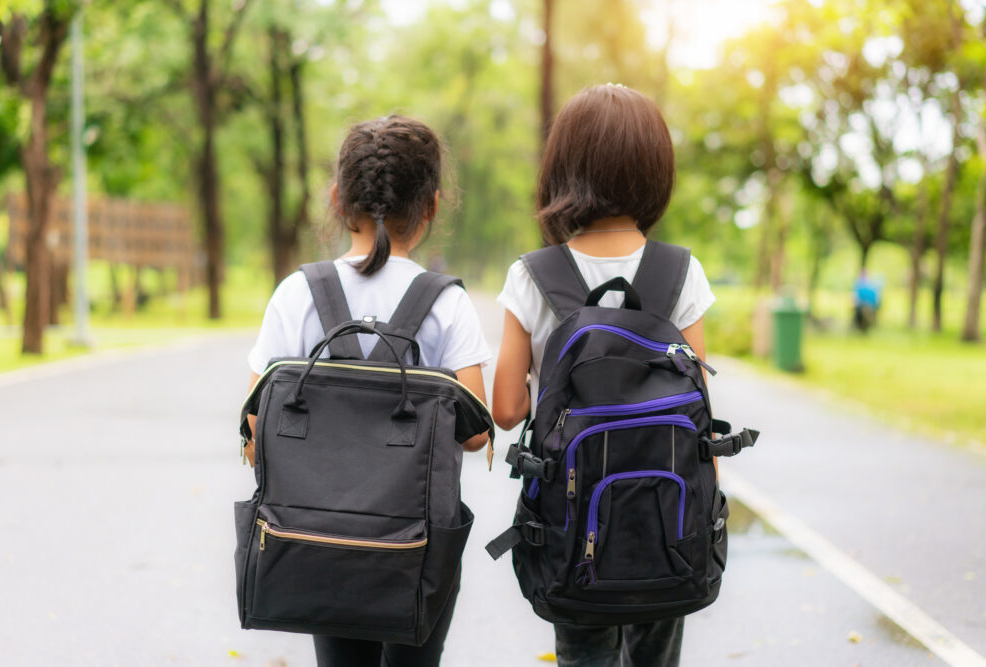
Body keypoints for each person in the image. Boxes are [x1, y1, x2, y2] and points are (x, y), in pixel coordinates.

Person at [243, 115, 492, 667]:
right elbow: (476, 436)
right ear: (431, 206)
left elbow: (258, 428)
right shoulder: (447, 303)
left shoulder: (298, 294)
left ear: (337, 199)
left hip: (317, 540)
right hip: (418, 546)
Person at [492, 84, 716, 667]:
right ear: (654, 172)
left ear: (562, 170)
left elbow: (507, 410)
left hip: (573, 531)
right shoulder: (680, 271)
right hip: (668, 525)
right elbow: (699, 410)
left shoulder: (533, 275)